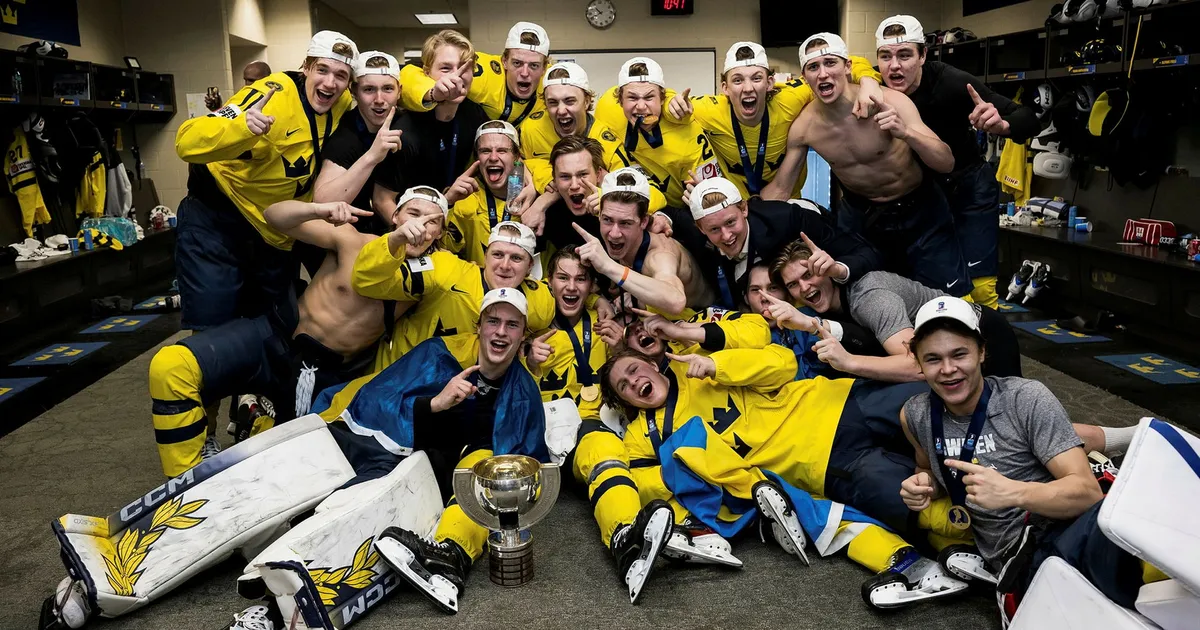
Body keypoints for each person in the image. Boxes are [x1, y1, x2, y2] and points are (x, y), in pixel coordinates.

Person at [599, 345, 976, 608]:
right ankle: (978, 536)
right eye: (624, 387)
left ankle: (1008, 466)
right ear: (624, 402)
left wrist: (717, 365)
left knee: (943, 403)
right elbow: (641, 481)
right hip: (824, 463)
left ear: (652, 364)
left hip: (840, 401)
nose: (634, 383)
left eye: (634, 370)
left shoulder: (694, 363)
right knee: (908, 499)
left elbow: (782, 363)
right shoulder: (644, 438)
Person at [148, 189, 446, 477]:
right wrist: (317, 209)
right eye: (413, 213)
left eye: (432, 221)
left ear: (441, 233)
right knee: (172, 367)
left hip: (329, 374)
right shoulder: (353, 241)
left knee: (299, 466)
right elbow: (273, 216)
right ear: (395, 216)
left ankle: (256, 420)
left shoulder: (439, 276)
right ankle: (184, 479)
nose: (420, 225)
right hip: (276, 342)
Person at [898, 296, 1147, 614]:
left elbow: (1087, 494)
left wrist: (1012, 492)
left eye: (959, 354)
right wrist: (923, 485)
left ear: (982, 352)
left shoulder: (1025, 398)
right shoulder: (915, 415)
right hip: (1018, 559)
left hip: (1063, 530)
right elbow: (926, 468)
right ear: (918, 363)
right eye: (933, 359)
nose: (948, 370)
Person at [174, 29, 357, 332]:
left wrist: (431, 94)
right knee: (215, 325)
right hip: (219, 217)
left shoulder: (342, 100)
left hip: (274, 229)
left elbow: (398, 83)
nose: (330, 82)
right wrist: (241, 126)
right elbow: (186, 141)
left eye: (341, 75)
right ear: (306, 67)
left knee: (276, 325)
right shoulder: (268, 95)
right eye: (322, 70)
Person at [762, 33, 971, 298]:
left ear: (848, 67)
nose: (823, 74)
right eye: (813, 67)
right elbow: (781, 189)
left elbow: (946, 163)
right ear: (805, 77)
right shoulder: (805, 127)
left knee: (948, 302)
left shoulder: (890, 101)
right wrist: (738, 216)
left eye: (830, 63)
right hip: (863, 219)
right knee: (868, 299)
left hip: (921, 211)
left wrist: (906, 133)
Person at [876, 16, 1040, 308]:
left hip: (969, 186)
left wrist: (1003, 125)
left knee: (981, 288)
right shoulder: (874, 87)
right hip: (922, 193)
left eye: (905, 55)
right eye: (885, 56)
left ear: (923, 55)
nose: (894, 66)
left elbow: (1028, 118)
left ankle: (987, 336)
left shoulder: (950, 82)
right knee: (938, 289)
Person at [770, 239, 1021, 382]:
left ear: (826, 270)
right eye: (793, 284)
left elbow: (917, 365)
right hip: (934, 341)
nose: (804, 287)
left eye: (808, 275)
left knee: (1007, 414)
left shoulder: (869, 297)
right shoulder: (821, 305)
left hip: (984, 330)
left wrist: (849, 363)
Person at [665, 41, 882, 199]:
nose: (748, 88)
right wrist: (670, 104)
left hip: (786, 203)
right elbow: (661, 98)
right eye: (738, 80)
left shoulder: (791, 97)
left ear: (770, 83)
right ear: (725, 88)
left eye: (756, 78)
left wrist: (869, 81)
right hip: (735, 209)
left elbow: (848, 62)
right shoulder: (708, 109)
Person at [352, 220, 559, 371]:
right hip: (400, 379)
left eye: (516, 258)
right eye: (497, 254)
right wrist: (392, 242)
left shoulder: (540, 301)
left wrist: (528, 349)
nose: (505, 266)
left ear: (530, 267)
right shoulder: (445, 270)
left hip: (466, 396)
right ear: (485, 256)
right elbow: (367, 282)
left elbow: (534, 336)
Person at [667, 175, 881, 310]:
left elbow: (867, 252)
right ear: (701, 229)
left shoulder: (788, 220)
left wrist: (838, 269)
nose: (726, 236)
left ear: (744, 209)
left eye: (731, 222)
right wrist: (662, 218)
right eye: (714, 229)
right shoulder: (698, 231)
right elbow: (673, 214)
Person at [517, 62, 671, 232]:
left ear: (587, 101)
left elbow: (652, 191)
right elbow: (519, 161)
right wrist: (538, 185)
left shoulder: (609, 144)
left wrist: (609, 194)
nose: (561, 111)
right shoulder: (531, 129)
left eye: (569, 101)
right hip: (553, 216)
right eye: (553, 103)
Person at [373, 30, 489, 221]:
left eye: (464, 67)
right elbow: (381, 200)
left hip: (447, 218)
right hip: (410, 223)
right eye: (446, 68)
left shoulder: (474, 114)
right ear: (426, 73)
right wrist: (409, 232)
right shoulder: (406, 132)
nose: (457, 76)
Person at [574, 168, 713, 316]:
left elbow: (676, 301)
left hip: (704, 317)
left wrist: (609, 266)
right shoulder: (613, 235)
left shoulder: (660, 255)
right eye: (607, 220)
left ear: (644, 221)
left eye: (625, 223)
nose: (614, 234)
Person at [593, 57, 718, 208]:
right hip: (635, 202)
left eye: (649, 97)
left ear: (662, 99)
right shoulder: (606, 106)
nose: (640, 106)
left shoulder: (689, 137)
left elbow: (713, 194)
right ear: (619, 100)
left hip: (682, 207)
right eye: (632, 98)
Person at [313, 50, 405, 234]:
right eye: (369, 89)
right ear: (353, 91)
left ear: (399, 91)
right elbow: (323, 203)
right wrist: (371, 157)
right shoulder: (346, 136)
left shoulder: (407, 126)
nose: (379, 100)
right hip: (353, 231)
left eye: (387, 89)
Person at [398, 21, 551, 126]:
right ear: (504, 61)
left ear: (544, 68)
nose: (525, 73)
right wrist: (432, 93)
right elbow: (407, 77)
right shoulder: (479, 71)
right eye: (517, 63)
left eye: (534, 65)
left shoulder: (552, 80)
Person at [440, 121, 529, 267]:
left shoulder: (536, 188)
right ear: (477, 158)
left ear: (516, 157)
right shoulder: (466, 198)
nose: (493, 157)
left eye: (502, 151)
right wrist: (447, 203)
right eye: (485, 151)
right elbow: (441, 248)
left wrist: (543, 201)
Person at [204, 61, 271, 111]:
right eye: (245, 80)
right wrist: (217, 109)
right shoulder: (244, 97)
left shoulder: (273, 99)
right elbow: (230, 121)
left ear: (267, 79)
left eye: (251, 80)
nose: (247, 84)